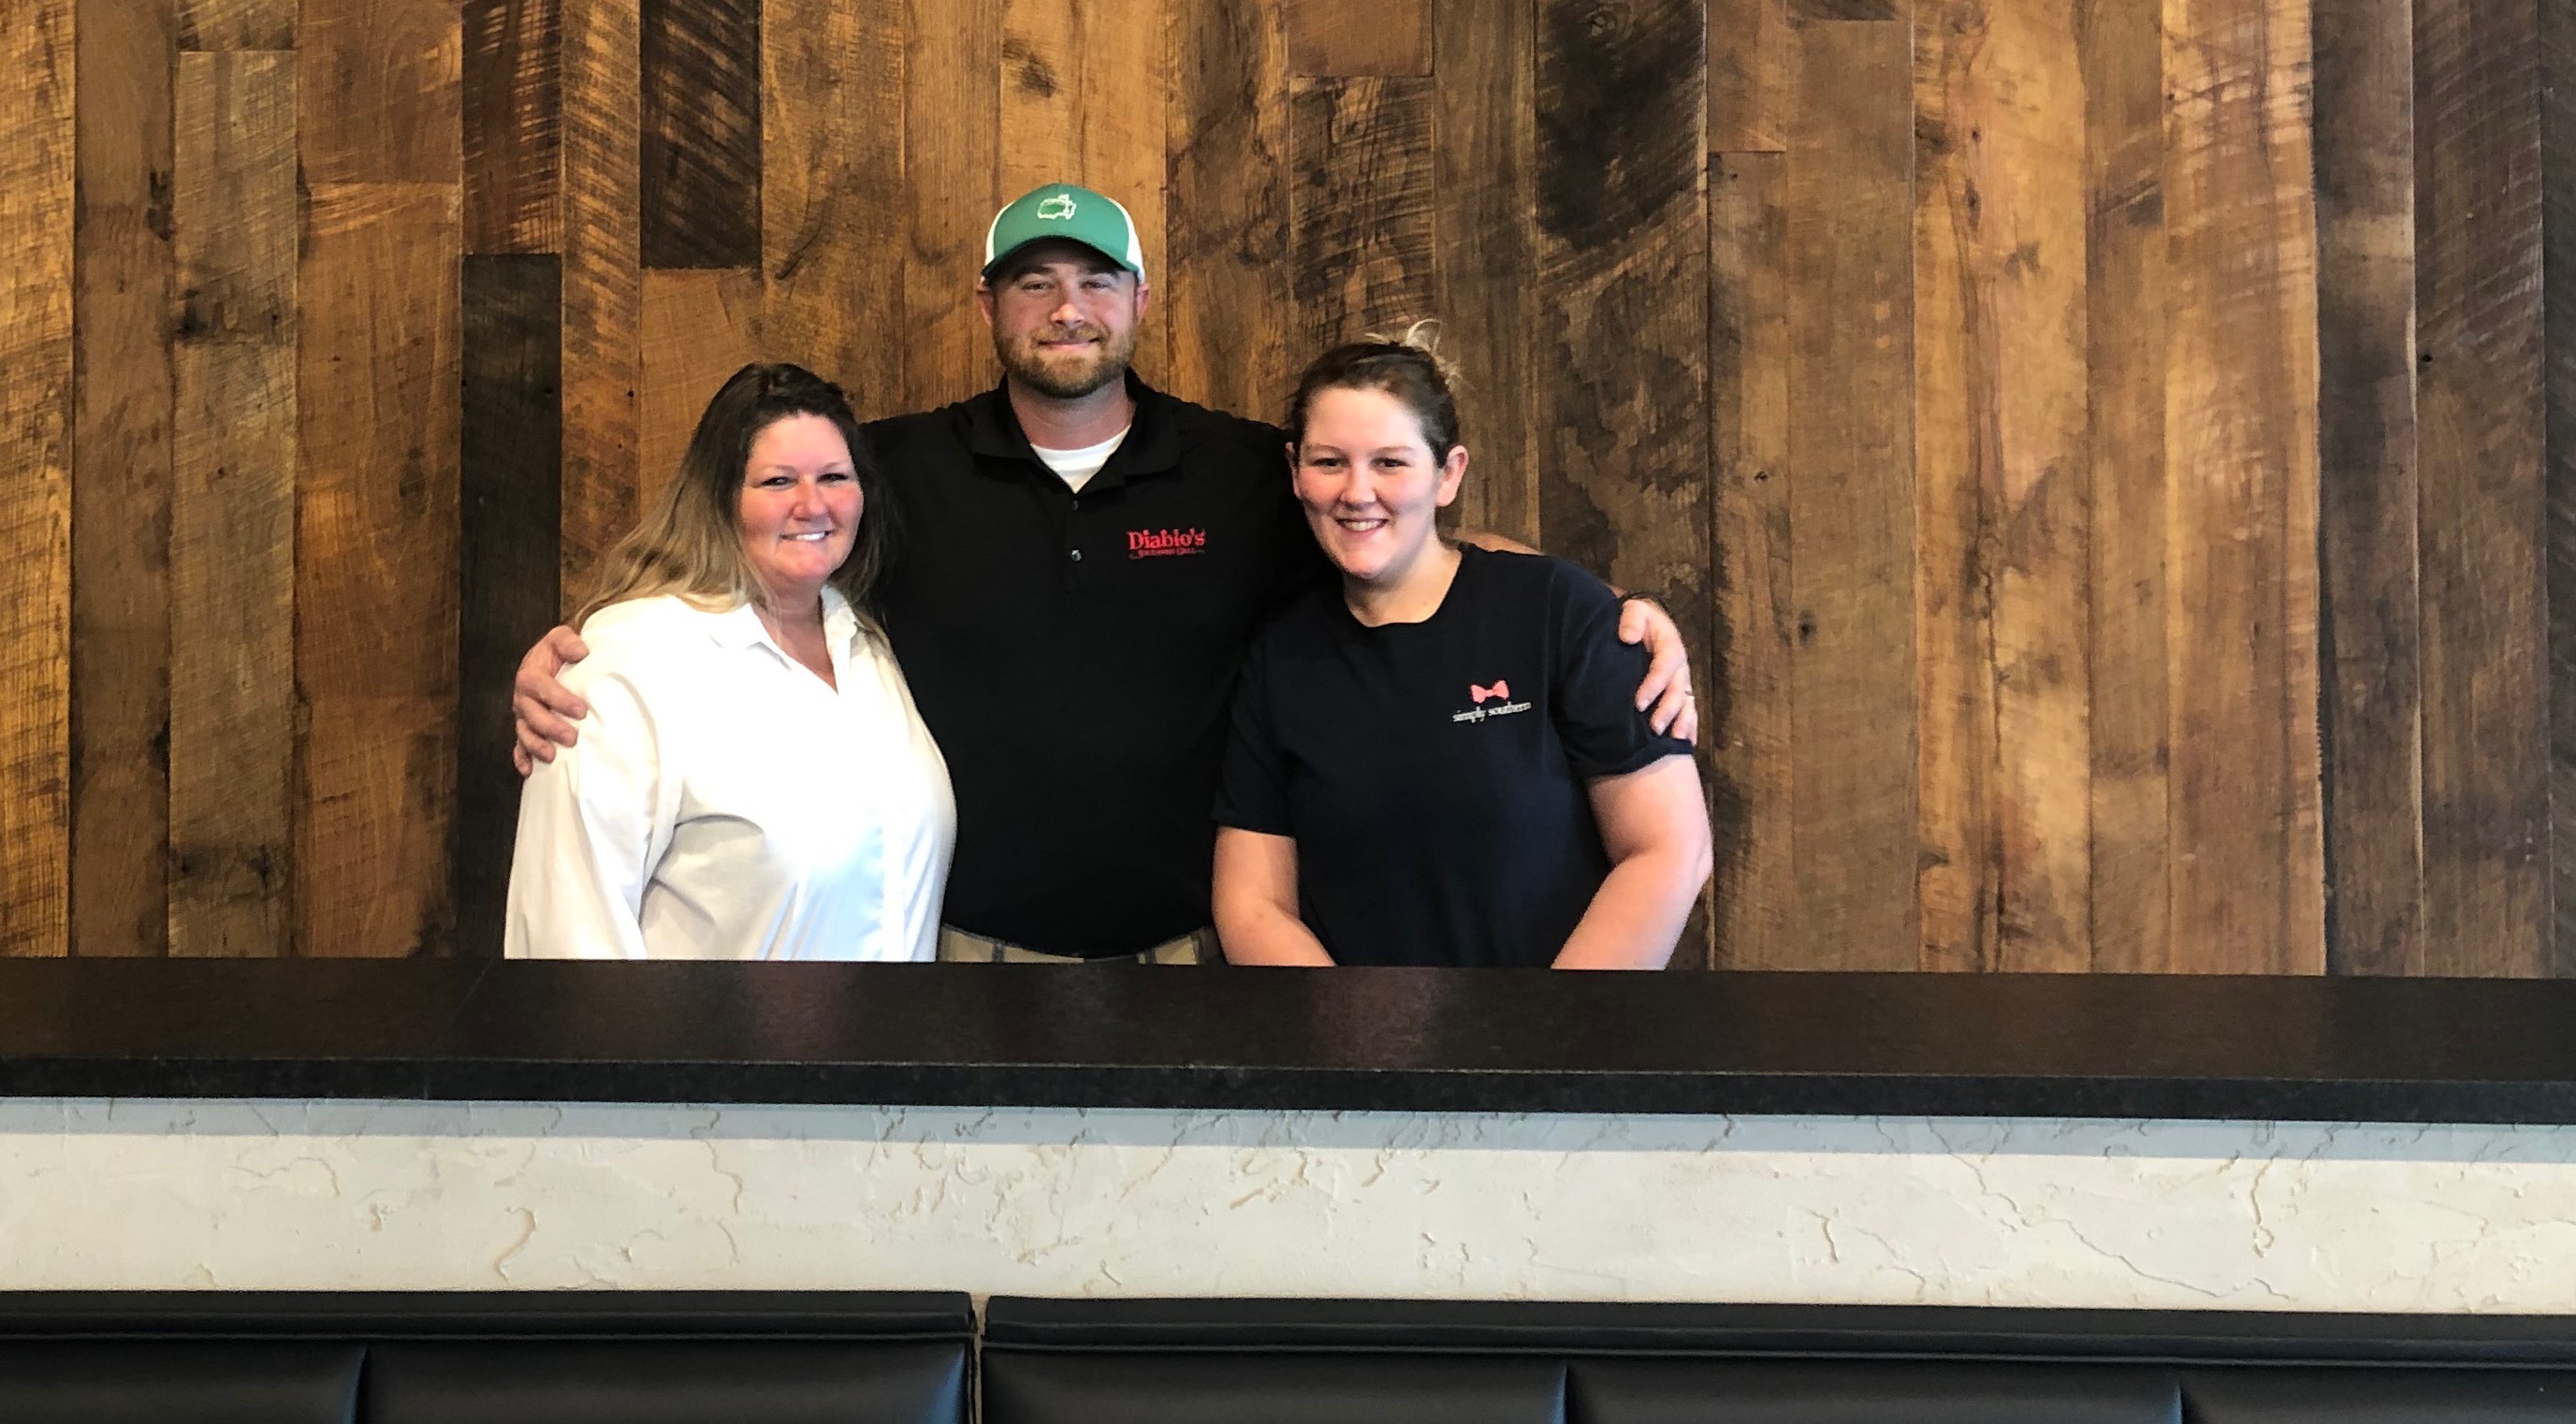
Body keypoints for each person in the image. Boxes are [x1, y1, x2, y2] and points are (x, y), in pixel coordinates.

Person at [514, 182, 1699, 962]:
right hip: (953, 954)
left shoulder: (1241, 470)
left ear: (1138, 298)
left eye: (1093, 280)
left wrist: (1607, 617)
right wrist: (588, 653)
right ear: (989, 303)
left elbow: (1399, 541)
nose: (1066, 308)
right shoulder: (897, 470)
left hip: (1195, 956)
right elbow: (758, 542)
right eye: (1034, 281)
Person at [1215, 335, 1710, 967]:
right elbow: (1253, 904)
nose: (1357, 492)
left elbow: (1671, 850)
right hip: (1350, 1028)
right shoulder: (1282, 656)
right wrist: (1346, 1029)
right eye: (1330, 462)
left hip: (1560, 1022)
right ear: (1295, 471)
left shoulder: (1556, 611)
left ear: (1447, 474)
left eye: (1390, 462)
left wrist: (1551, 1023)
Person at [502, 361, 953, 960]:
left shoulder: (867, 643)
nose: (812, 504)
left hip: (896, 1023)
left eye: (834, 477)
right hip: (706, 1028)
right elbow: (567, 934)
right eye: (777, 481)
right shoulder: (629, 662)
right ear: (720, 498)